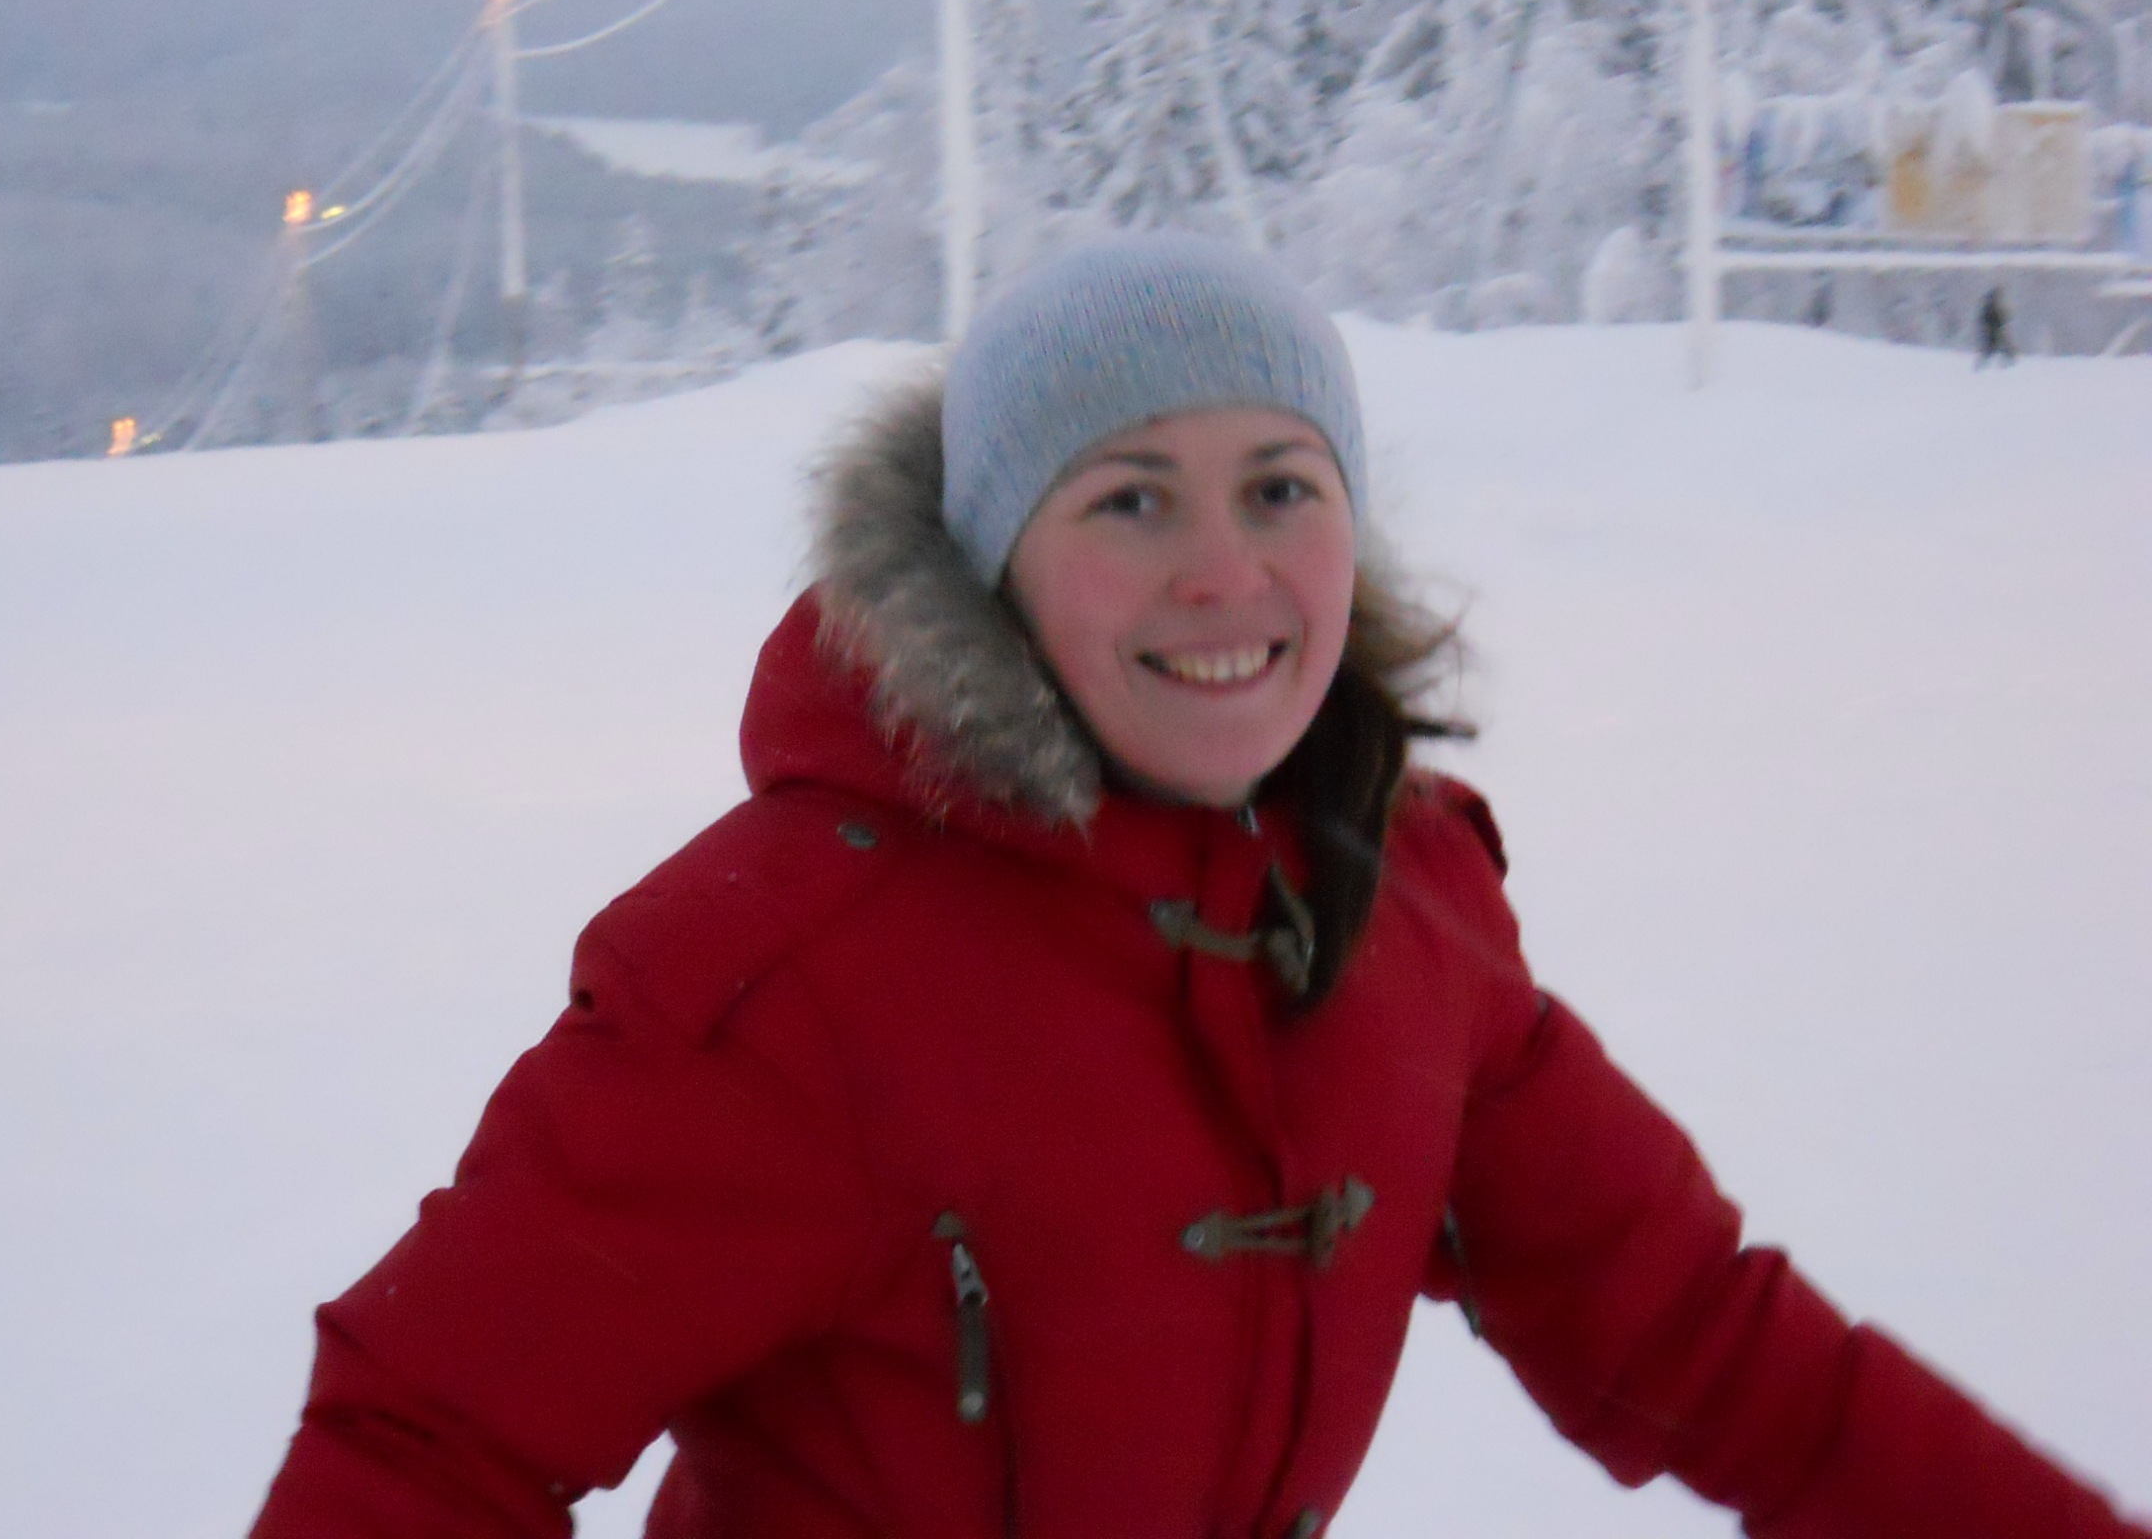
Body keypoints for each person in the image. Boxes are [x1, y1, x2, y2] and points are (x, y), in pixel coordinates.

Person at [250, 236, 2141, 1539]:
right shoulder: (789, 976)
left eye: (1281, 488)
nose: (1226, 574)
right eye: (1130, 498)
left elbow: (1697, 1338)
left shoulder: (1398, 908)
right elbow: (425, 1441)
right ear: (995, 565)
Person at [1976, 285, 2016, 368]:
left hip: (1994, 331)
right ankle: (2007, 363)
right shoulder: (1991, 308)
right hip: (1994, 331)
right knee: (1994, 347)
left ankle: (2006, 362)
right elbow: (1996, 319)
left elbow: (1989, 319)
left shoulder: (1989, 307)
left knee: (1994, 347)